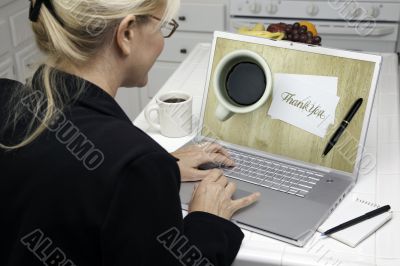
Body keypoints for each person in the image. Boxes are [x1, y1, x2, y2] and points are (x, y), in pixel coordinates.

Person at [0, 1, 260, 265]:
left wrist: (150, 172)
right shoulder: (135, 163)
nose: (162, 42)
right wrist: (208, 221)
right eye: (162, 28)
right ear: (126, 34)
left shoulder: (5, 97)